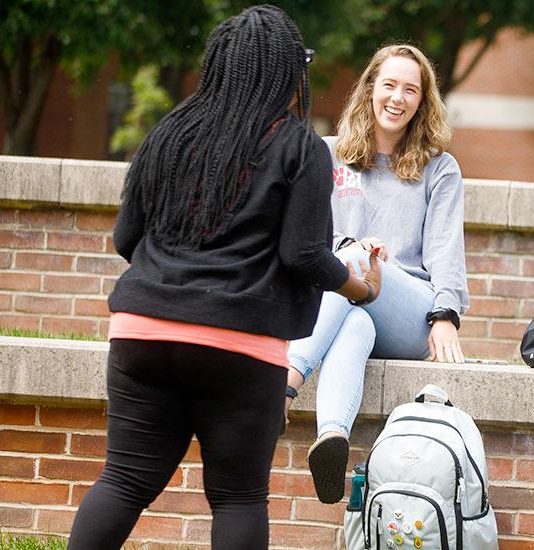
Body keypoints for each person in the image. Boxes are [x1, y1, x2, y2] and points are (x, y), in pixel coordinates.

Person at [67, 6, 381, 548]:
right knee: (237, 497)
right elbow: (304, 255)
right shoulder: (299, 147)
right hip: (239, 342)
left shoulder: (168, 133)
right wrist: (360, 286)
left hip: (143, 331)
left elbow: (126, 240)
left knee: (122, 480)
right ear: (287, 72)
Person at [284, 43, 469, 504]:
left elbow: (446, 250)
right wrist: (350, 251)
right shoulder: (326, 156)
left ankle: (284, 383)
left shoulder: (439, 169)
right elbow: (304, 242)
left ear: (422, 102)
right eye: (389, 85)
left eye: (411, 90)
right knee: (355, 315)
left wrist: (445, 313)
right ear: (370, 89)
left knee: (355, 262)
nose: (398, 98)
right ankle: (331, 437)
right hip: (347, 301)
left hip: (408, 310)